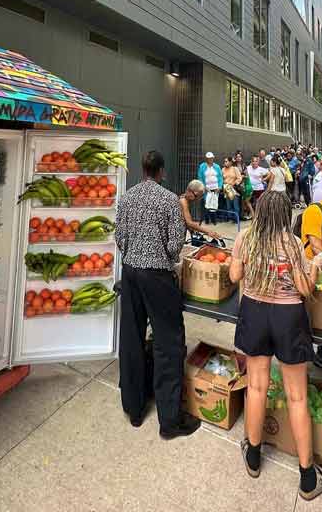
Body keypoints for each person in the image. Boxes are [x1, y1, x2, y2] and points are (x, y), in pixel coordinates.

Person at [230, 191, 322, 500]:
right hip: (289, 317)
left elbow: (235, 274)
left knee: (256, 387)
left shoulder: (245, 237)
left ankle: (254, 455)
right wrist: (314, 265)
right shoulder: (292, 243)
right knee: (297, 396)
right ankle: (307, 476)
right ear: (287, 214)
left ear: (259, 212)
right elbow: (305, 290)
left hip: (255, 312)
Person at [115, 150, 200, 439]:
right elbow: (176, 243)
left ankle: (134, 408)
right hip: (157, 275)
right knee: (169, 343)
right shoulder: (169, 200)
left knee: (131, 336)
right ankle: (169, 420)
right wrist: (164, 257)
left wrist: (132, 255)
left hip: (130, 272)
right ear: (161, 171)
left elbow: (119, 237)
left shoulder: (126, 197)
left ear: (143, 169)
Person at [197, 152, 223, 226]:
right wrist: (204, 187)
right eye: (208, 158)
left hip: (215, 189)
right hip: (207, 189)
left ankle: (214, 220)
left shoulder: (217, 166)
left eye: (211, 158)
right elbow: (200, 178)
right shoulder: (202, 166)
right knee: (207, 204)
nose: (210, 160)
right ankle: (207, 220)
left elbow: (220, 177)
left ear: (213, 158)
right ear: (206, 159)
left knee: (214, 204)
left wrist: (220, 187)